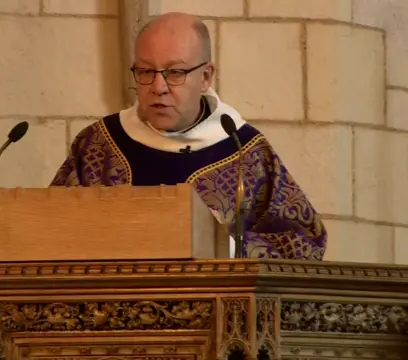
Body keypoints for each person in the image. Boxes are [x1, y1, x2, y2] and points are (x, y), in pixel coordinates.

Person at [49, 12, 326, 260]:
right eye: (146, 71)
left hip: (214, 315)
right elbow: (49, 230)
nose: (159, 87)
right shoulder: (99, 144)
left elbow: (303, 246)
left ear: (206, 76)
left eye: (175, 72)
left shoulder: (245, 151)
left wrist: (224, 246)